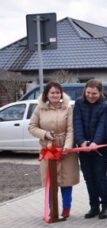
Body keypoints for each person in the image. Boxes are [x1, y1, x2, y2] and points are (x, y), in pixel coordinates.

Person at [28, 82, 80, 219]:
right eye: (52, 93)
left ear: (61, 94)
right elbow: (32, 127)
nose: (55, 95)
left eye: (58, 92)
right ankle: (52, 209)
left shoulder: (67, 108)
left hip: (66, 151)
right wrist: (44, 134)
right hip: (49, 150)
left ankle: (66, 209)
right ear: (47, 94)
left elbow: (70, 129)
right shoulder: (40, 109)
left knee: (66, 180)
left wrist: (67, 147)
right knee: (51, 182)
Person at [73, 79, 107, 219]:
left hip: (100, 149)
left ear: (100, 92)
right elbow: (76, 123)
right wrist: (81, 141)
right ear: (85, 90)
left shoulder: (106, 105)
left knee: (100, 177)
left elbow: (103, 125)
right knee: (89, 178)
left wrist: (96, 142)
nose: (90, 96)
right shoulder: (78, 103)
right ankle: (94, 206)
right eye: (88, 92)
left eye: (94, 93)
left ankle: (106, 206)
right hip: (83, 148)